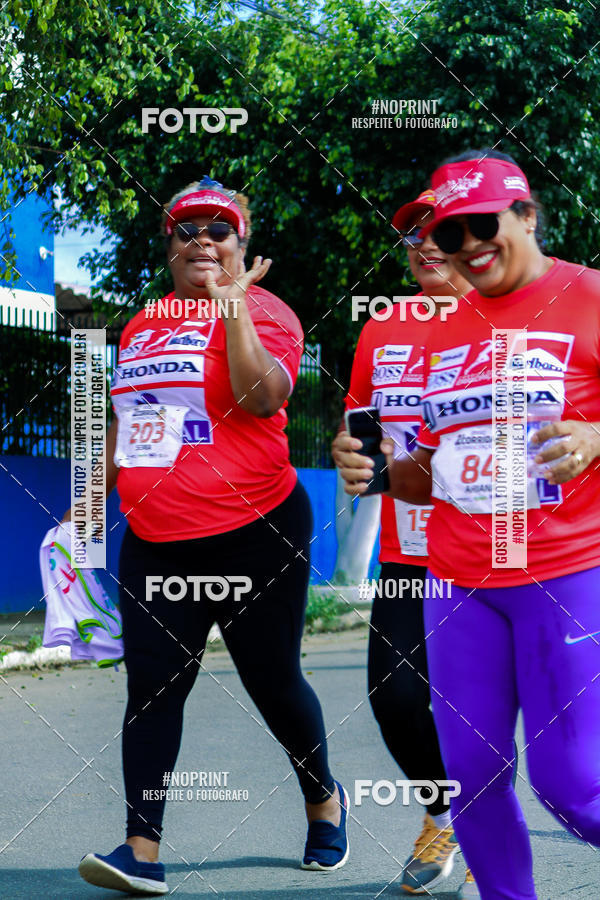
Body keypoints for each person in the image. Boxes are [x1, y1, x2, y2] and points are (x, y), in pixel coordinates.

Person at [335, 149, 600, 900]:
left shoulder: (587, 297)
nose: (466, 247)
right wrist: (380, 472)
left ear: (526, 214)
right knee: (475, 785)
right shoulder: (439, 330)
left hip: (563, 575)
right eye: (449, 237)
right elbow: (429, 471)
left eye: (482, 225)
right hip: (456, 583)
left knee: (572, 788)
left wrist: (595, 438)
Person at [75, 176, 349, 895]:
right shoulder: (140, 324)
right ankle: (142, 849)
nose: (204, 237)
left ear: (242, 246)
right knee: (153, 688)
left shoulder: (268, 311)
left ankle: (324, 800)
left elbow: (266, 397)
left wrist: (233, 314)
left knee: (273, 681)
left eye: (220, 229)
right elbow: (130, 421)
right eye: (188, 227)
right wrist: (88, 501)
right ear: (168, 244)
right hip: (158, 540)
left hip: (256, 532)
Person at [333, 190, 480, 899]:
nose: (423, 243)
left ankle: (490, 824)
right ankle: (445, 809)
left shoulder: (506, 316)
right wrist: (349, 453)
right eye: (413, 234)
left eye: (438, 231)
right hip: (407, 547)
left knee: (479, 704)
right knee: (394, 696)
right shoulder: (383, 326)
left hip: (493, 550)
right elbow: (359, 424)